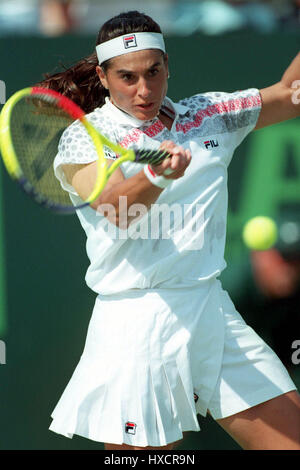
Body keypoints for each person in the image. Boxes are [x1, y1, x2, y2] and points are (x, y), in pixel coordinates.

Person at [41, 11, 300, 450]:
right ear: (103, 77)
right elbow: (115, 208)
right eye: (127, 77)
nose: (144, 90)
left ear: (167, 66)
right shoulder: (84, 137)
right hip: (136, 324)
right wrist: (159, 174)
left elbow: (292, 95)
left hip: (211, 310)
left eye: (153, 72)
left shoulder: (210, 114)